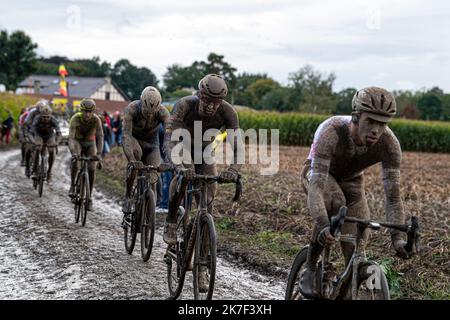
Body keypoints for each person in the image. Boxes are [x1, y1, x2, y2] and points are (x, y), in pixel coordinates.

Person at [298, 87, 415, 298]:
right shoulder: (331, 130)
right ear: (356, 116)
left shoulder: (389, 144)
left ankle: (345, 289)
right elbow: (316, 186)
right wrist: (324, 224)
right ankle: (310, 266)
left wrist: (398, 238)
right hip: (318, 174)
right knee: (335, 201)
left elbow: (394, 197)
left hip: (352, 181)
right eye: (371, 121)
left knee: (360, 233)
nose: (375, 130)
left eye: (382, 123)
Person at [163, 74, 243, 291]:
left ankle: (201, 268)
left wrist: (234, 170)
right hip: (182, 148)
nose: (211, 107)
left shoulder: (228, 112)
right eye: (207, 100)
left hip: (206, 153)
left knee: (207, 205)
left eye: (216, 103)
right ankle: (171, 220)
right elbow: (170, 140)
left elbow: (237, 145)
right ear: (200, 95)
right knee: (183, 176)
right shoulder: (184, 105)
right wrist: (178, 166)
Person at [121, 86, 170, 225]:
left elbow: (168, 139)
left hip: (152, 145)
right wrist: (131, 159)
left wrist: (168, 160)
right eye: (146, 112)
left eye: (152, 113)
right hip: (134, 141)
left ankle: (149, 209)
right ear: (141, 103)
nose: (149, 115)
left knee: (153, 177)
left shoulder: (163, 113)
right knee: (135, 159)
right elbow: (126, 135)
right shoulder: (131, 109)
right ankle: (128, 196)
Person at [68, 98, 104, 211]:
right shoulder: (75, 118)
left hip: (90, 143)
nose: (87, 114)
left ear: (93, 112)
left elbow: (100, 136)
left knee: (92, 168)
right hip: (77, 141)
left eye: (90, 112)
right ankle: (73, 185)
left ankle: (89, 198)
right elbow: (70, 138)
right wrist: (73, 152)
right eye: (85, 111)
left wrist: (98, 153)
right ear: (81, 110)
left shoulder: (96, 120)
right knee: (76, 161)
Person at [29, 105, 61, 182]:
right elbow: (31, 133)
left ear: (50, 116)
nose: (45, 119)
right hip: (39, 135)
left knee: (51, 151)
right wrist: (33, 141)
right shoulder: (37, 119)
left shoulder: (53, 120)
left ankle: (49, 172)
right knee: (38, 148)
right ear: (40, 116)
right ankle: (35, 170)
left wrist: (56, 143)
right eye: (43, 117)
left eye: (47, 117)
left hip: (50, 136)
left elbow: (59, 133)